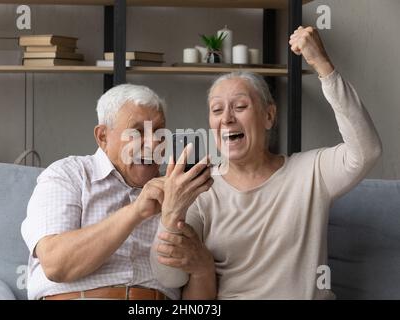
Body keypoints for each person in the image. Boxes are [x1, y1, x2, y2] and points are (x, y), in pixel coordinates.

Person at [151, 26, 383, 299]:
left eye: (240, 107)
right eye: (216, 110)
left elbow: (366, 150)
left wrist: (322, 65)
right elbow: (169, 276)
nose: (226, 118)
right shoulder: (200, 190)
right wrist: (170, 213)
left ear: (269, 116)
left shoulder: (310, 172)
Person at [21, 84, 212, 300]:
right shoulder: (69, 174)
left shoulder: (180, 193)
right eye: (138, 132)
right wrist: (136, 211)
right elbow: (56, 264)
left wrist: (203, 267)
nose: (154, 142)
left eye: (159, 132)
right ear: (103, 137)